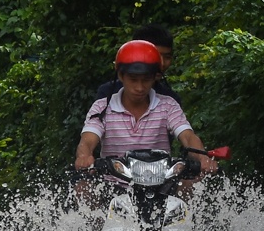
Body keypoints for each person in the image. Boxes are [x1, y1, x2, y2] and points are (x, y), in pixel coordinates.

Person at [73, 39, 214, 176]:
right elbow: (87, 140)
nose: (140, 87)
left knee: (195, 180)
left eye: (146, 80)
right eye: (133, 80)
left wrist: (202, 157)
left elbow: (187, 136)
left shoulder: (168, 105)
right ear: (121, 76)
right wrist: (84, 156)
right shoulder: (102, 107)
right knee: (82, 184)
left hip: (162, 183)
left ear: (154, 77)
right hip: (112, 184)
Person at [94, 23, 178, 101]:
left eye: (167, 57)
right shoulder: (107, 93)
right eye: (156, 56)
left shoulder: (170, 100)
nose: (161, 63)